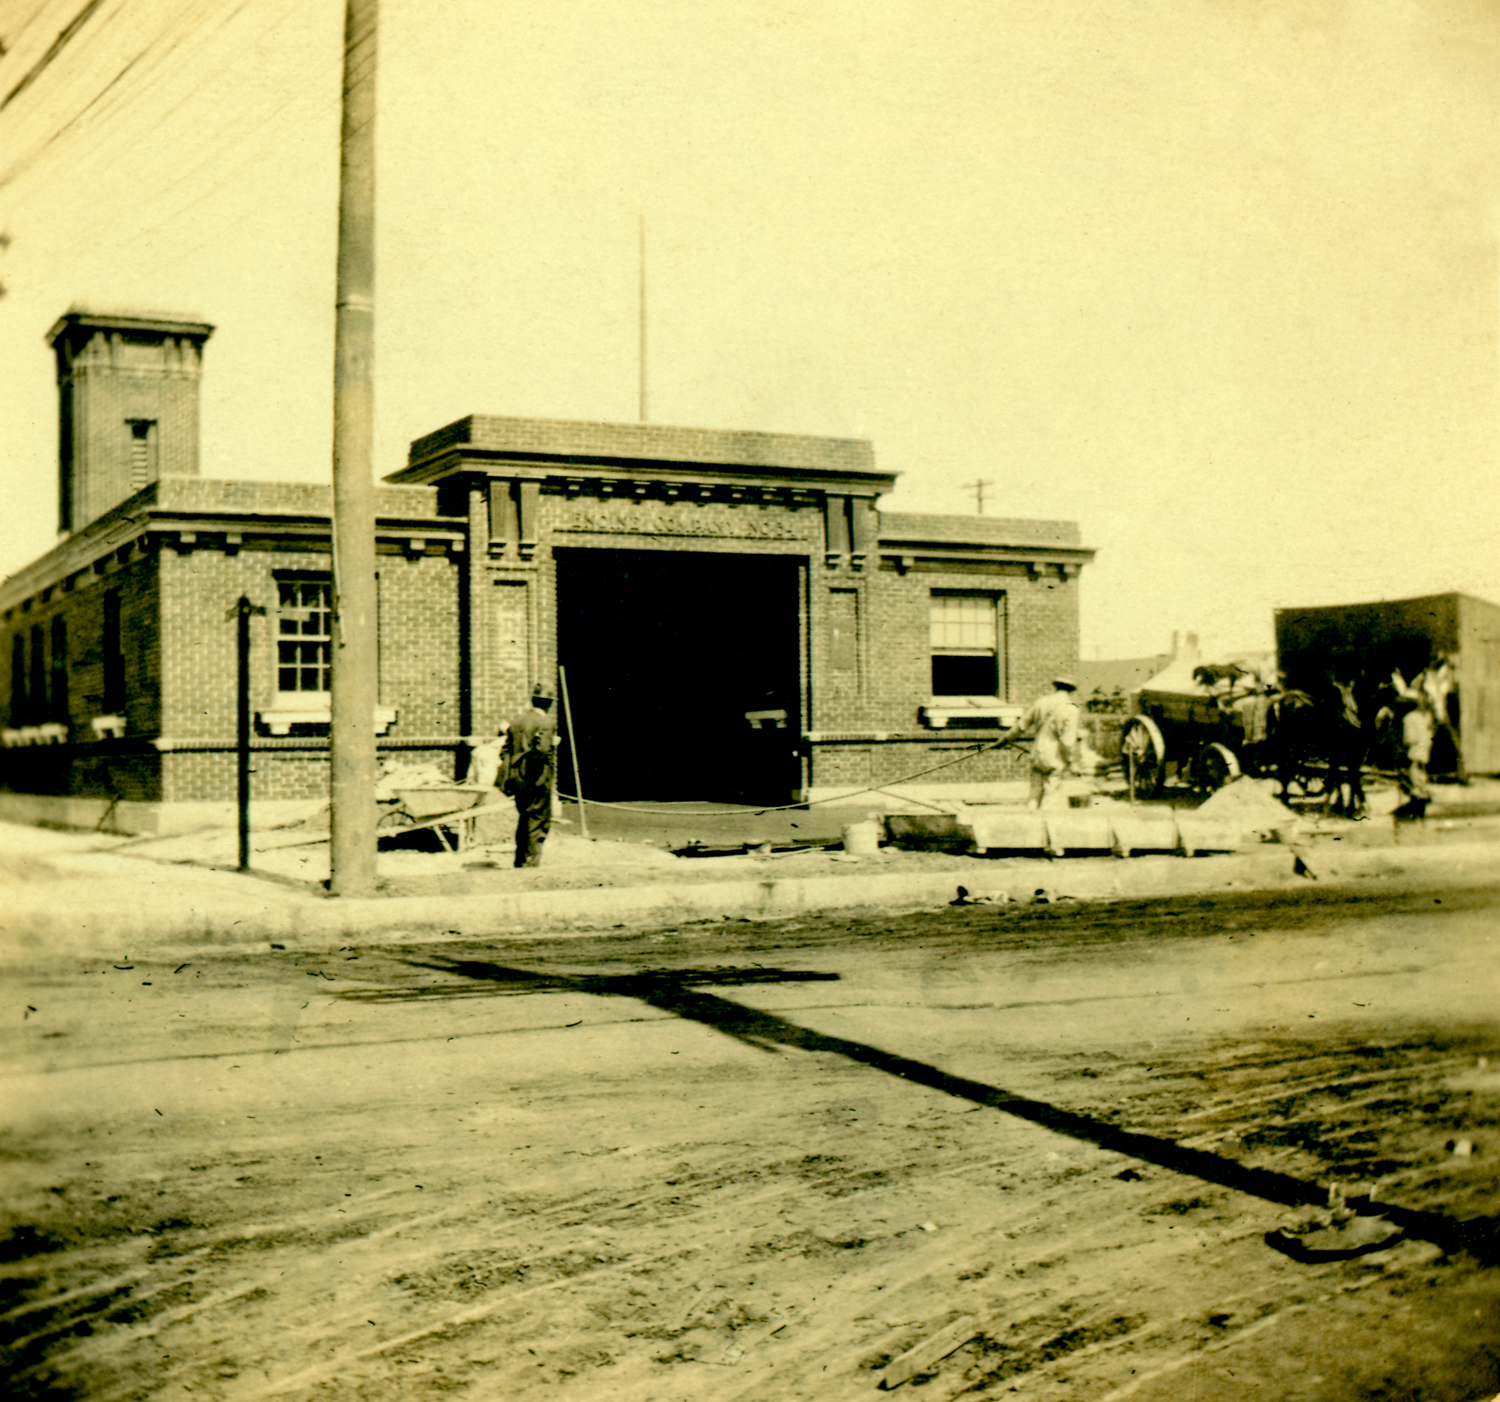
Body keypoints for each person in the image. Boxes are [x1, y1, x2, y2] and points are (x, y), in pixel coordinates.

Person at [500, 687, 558, 867]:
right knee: (538, 819)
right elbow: (542, 751)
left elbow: (505, 751)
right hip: (537, 777)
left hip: (517, 777)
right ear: (549, 704)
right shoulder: (545, 723)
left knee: (524, 818)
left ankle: (520, 859)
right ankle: (531, 862)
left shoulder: (516, 721)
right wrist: (553, 745)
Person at [1012, 676, 1081, 811]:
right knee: (1051, 791)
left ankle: (1030, 815)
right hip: (1054, 755)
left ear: (1055, 686)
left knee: (1035, 790)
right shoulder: (1071, 709)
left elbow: (1021, 726)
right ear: (1072, 690)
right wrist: (1071, 762)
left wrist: (1005, 739)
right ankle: (1046, 818)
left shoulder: (1041, 702)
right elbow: (1067, 742)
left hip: (1037, 752)